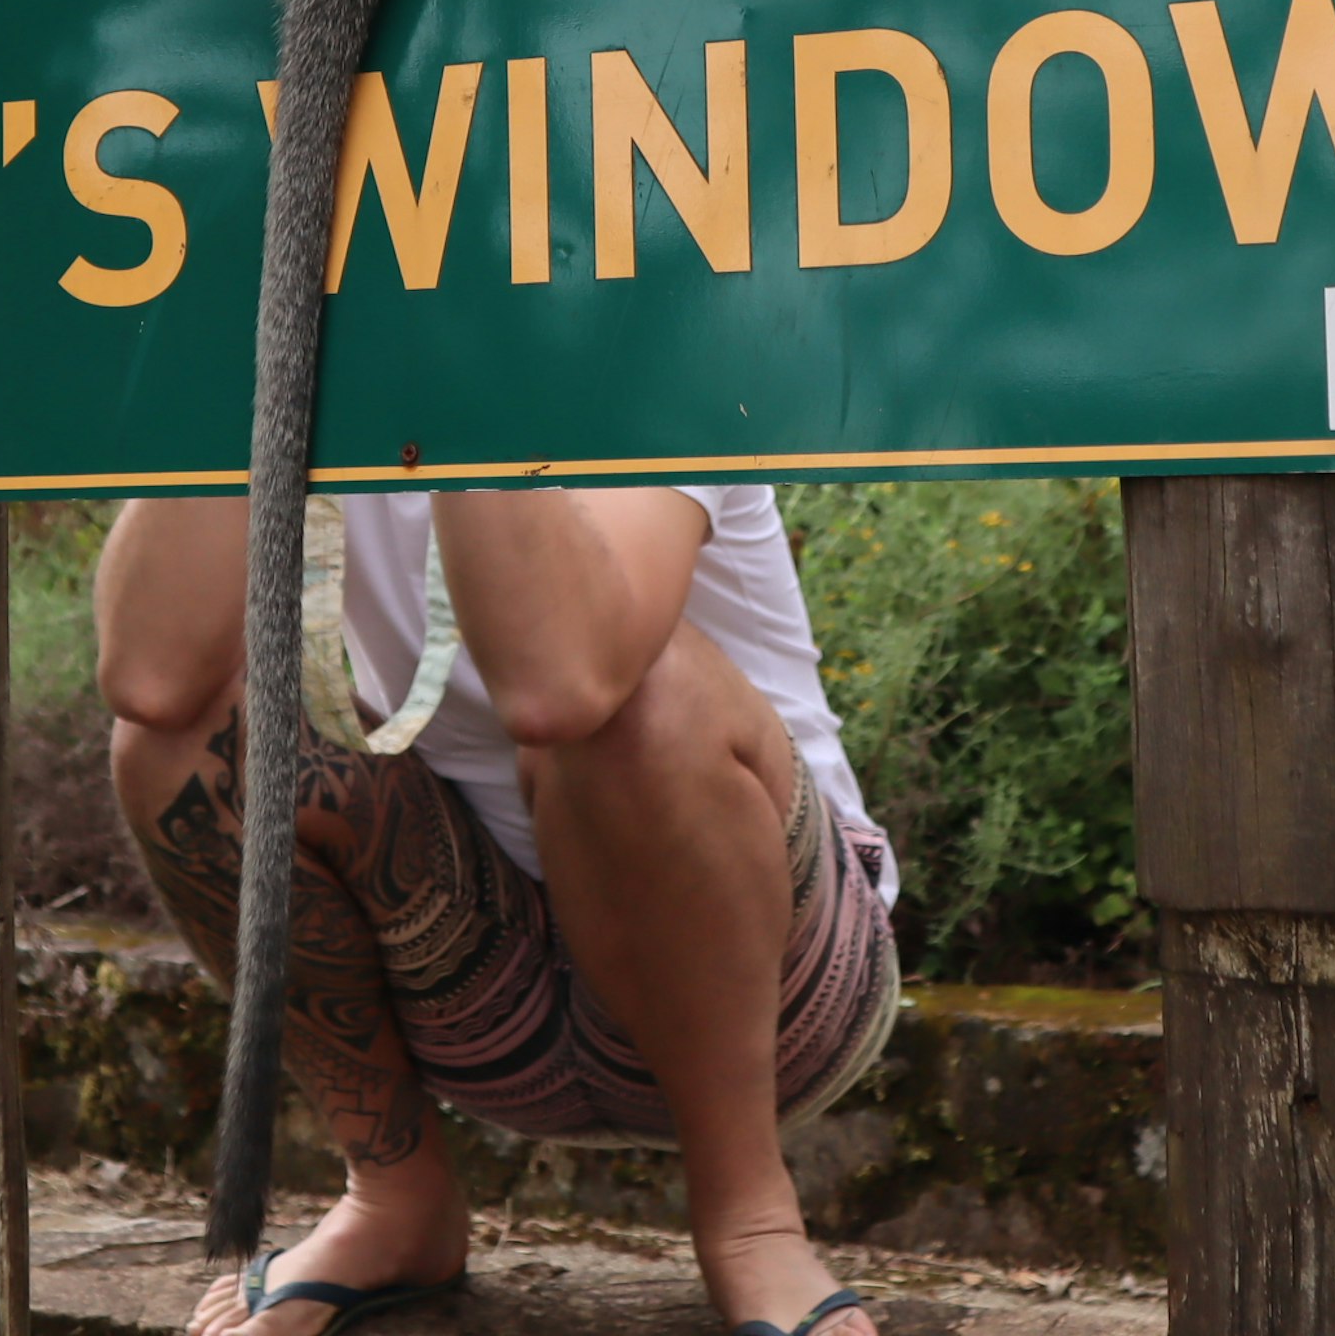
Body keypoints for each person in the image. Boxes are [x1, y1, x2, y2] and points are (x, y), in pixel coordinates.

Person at [96, 482, 901, 1336]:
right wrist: (252, 357)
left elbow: (563, 684)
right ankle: (395, 1197)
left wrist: (450, 368)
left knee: (638, 698)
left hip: (778, 992)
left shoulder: (657, 347)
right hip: (486, 997)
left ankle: (751, 1216)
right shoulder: (316, 358)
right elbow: (151, 679)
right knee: (187, 744)